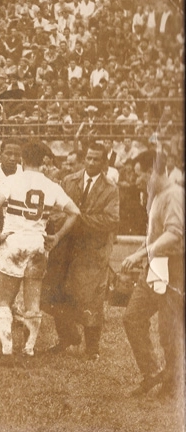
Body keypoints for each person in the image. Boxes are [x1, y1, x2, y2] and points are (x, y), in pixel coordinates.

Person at [0, 141, 80, 365]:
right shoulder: (51, 185)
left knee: (3, 301)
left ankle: (7, 352)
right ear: (43, 161)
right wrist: (56, 237)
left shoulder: (12, 181)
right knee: (32, 302)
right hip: (37, 246)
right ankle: (29, 349)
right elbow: (75, 212)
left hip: (14, 243)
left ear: (22, 159)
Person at [43, 142, 120, 360]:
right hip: (66, 247)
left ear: (104, 162)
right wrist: (65, 223)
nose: (91, 162)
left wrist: (79, 220)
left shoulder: (110, 189)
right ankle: (67, 337)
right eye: (89, 158)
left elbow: (111, 220)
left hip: (92, 250)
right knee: (55, 291)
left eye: (96, 159)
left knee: (90, 298)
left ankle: (92, 348)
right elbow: (57, 209)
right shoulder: (70, 180)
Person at [121, 149, 184, 399]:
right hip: (157, 265)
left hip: (175, 266)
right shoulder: (156, 195)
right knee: (132, 318)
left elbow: (174, 233)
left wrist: (141, 255)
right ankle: (153, 373)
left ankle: (171, 385)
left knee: (168, 329)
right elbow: (154, 236)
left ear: (155, 172)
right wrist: (143, 252)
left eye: (142, 175)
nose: (138, 180)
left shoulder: (175, 195)